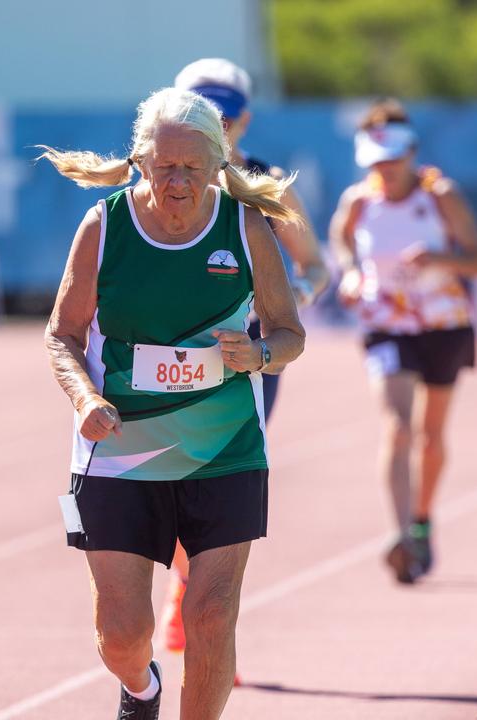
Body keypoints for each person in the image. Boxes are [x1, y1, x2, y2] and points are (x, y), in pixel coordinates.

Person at [40, 87, 306, 720]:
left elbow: (289, 331)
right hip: (119, 449)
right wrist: (84, 398)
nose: (178, 182)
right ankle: (140, 688)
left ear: (219, 167)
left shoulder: (244, 227)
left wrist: (262, 356)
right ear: (142, 164)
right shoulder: (105, 226)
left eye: (193, 168)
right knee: (122, 634)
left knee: (211, 613)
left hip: (224, 445)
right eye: (165, 168)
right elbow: (62, 335)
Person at [161, 57, 332, 660]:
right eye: (203, 114)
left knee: (213, 481)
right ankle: (185, 578)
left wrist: (286, 303)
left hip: (245, 361)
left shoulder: (266, 185)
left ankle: (195, 597)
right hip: (163, 356)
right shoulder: (154, 181)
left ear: (245, 118)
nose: (219, 128)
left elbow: (315, 266)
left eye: (226, 116)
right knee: (163, 480)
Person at [328, 99, 477, 584]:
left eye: (394, 158)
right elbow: (340, 240)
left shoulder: (441, 196)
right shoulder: (358, 202)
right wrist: (353, 273)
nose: (386, 169)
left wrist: (440, 259)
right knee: (397, 427)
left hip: (443, 325)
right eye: (377, 160)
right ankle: (401, 533)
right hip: (386, 324)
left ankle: (422, 520)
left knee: (430, 435)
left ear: (412, 153)